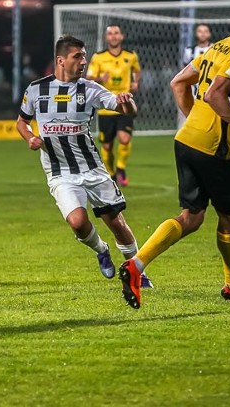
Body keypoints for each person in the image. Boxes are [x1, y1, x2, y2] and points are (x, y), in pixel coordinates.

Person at [118, 0, 230, 310]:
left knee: (192, 217)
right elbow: (215, 93)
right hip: (216, 148)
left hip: (186, 140)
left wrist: (195, 123)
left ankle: (136, 264)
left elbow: (179, 83)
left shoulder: (216, 47)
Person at [16, 35, 152, 288]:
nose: (83, 61)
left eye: (84, 56)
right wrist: (30, 138)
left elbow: (126, 111)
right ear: (61, 60)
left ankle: (138, 272)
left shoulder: (90, 89)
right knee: (78, 223)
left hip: (92, 169)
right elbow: (21, 122)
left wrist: (128, 102)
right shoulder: (36, 89)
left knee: (116, 223)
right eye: (77, 56)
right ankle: (101, 250)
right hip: (60, 172)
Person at [86, 25, 141, 186]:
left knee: (124, 139)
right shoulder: (98, 57)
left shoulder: (130, 56)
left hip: (124, 104)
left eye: (116, 33)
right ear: (106, 38)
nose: (114, 36)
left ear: (121, 36)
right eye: (110, 33)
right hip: (106, 106)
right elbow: (89, 77)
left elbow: (137, 70)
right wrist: (100, 78)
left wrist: (136, 82)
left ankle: (121, 168)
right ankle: (111, 173)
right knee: (107, 146)